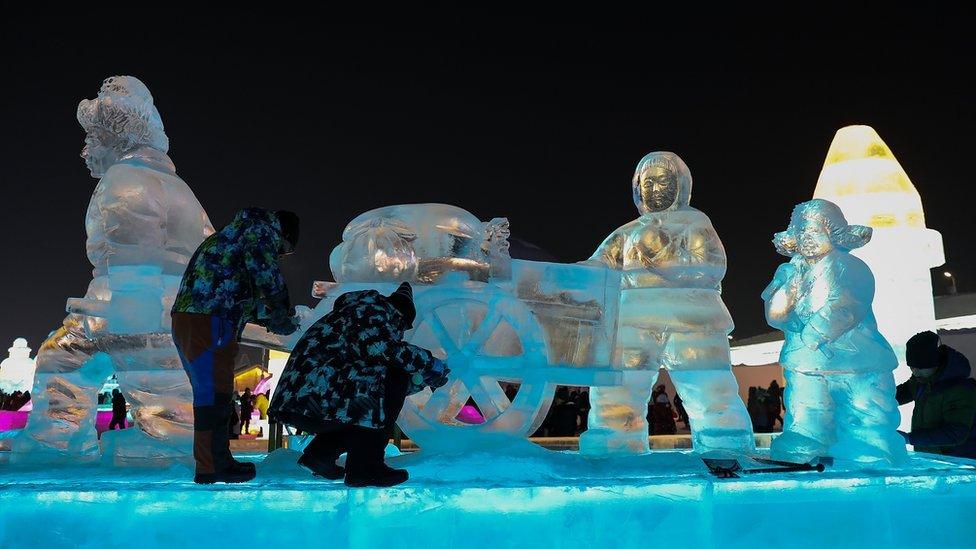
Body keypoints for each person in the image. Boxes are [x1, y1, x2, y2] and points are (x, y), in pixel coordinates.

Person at [269, 282, 450, 487]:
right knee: (390, 382)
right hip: (313, 402)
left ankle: (321, 455)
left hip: (308, 401)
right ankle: (365, 467)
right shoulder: (372, 312)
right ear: (400, 314)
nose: (400, 332)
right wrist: (429, 363)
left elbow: (372, 375)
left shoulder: (351, 314)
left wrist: (419, 381)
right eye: (402, 326)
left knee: (372, 400)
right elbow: (386, 351)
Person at [172, 207, 301, 484]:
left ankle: (213, 462)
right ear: (284, 234)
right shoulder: (258, 230)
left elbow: (238, 293)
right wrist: (281, 310)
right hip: (209, 320)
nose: (280, 256)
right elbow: (266, 273)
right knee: (214, 396)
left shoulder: (233, 236)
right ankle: (212, 466)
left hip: (196, 317)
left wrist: (270, 318)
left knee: (211, 395)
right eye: (284, 250)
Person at [896, 331, 976, 458]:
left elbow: (955, 433)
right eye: (912, 367)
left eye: (920, 367)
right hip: (932, 458)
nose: (915, 372)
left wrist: (910, 438)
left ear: (935, 364)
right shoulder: (920, 381)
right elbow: (895, 396)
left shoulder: (961, 390)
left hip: (961, 463)